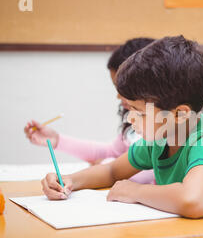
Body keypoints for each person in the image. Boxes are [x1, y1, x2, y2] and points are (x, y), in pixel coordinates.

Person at [41, 35, 203, 235]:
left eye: (138, 112)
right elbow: (112, 170)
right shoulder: (161, 138)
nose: (129, 119)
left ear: (180, 114)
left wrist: (136, 191)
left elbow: (195, 201)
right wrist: (69, 180)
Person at [24, 37, 156, 184]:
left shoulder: (164, 132)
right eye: (116, 87)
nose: (118, 95)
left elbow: (147, 173)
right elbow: (113, 156)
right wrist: (58, 141)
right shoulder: (139, 126)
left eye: (123, 88)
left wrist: (106, 164)